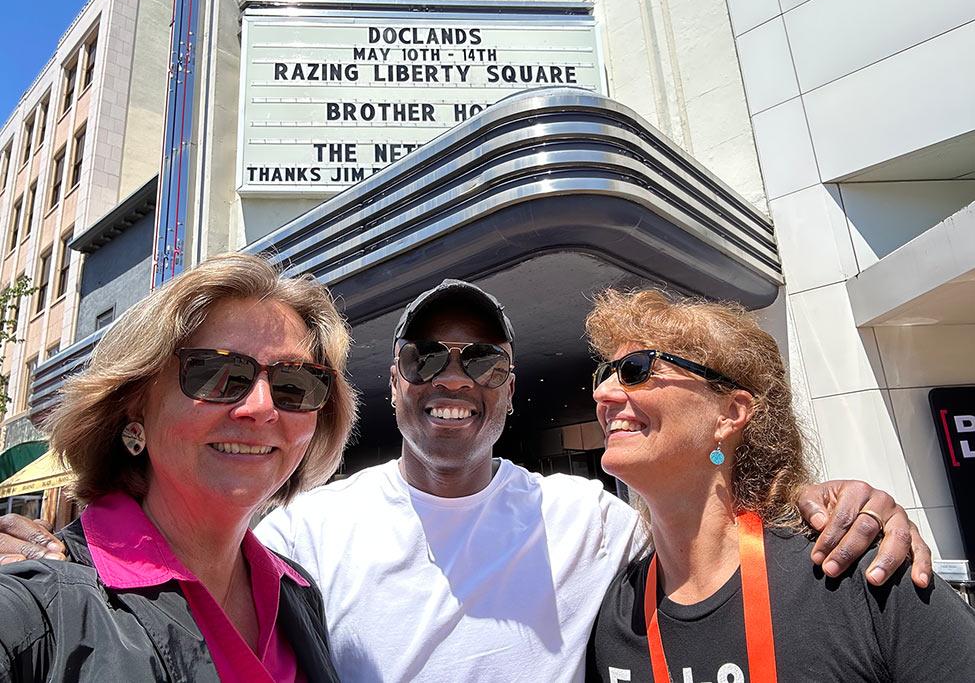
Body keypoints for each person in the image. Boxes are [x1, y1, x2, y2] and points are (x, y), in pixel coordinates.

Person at [1, 279, 930, 682]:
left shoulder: (593, 520)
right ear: (392, 382)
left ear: (509, 389)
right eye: (427, 357)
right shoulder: (297, 544)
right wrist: (50, 553)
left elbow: (716, 538)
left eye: (481, 359)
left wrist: (833, 501)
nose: (454, 377)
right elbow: (118, 598)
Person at [585, 289, 975, 682]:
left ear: (731, 412)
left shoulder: (854, 575)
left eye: (637, 369)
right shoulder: (617, 614)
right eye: (605, 375)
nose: (603, 393)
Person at [0, 253, 355, 682]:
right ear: (135, 401)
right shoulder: (35, 604)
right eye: (217, 373)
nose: (262, 408)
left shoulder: (297, 592)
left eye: (295, 384)